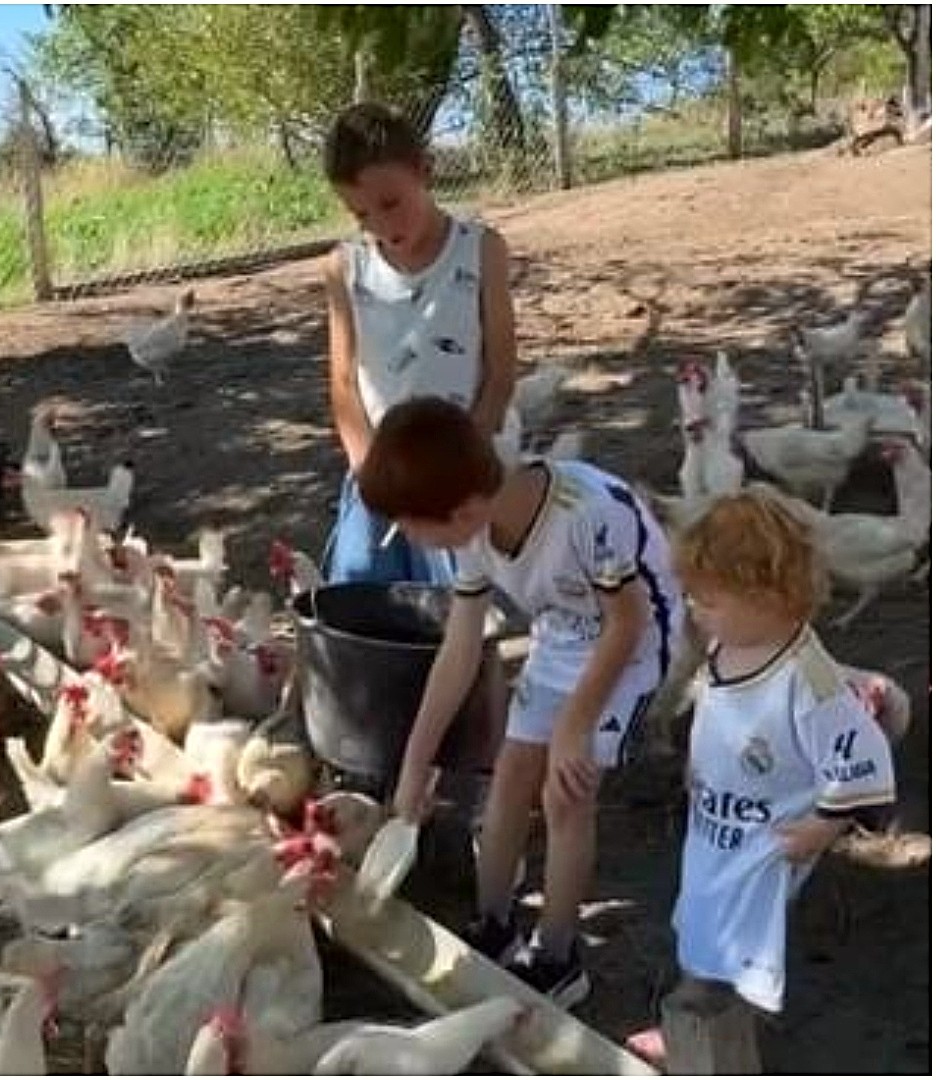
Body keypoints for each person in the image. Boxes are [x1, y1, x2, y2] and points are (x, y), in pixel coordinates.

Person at [364, 397, 680, 1006]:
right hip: (563, 631)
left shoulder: (588, 515)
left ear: (463, 510)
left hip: (632, 645)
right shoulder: (471, 532)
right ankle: (493, 925)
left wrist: (574, 726)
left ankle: (558, 955)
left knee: (566, 792)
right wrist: (413, 767)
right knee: (510, 772)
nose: (406, 538)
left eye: (411, 525)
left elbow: (628, 622)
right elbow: (459, 647)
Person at [633, 491, 894, 1054]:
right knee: (700, 916)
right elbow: (722, 716)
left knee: (741, 935)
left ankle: (715, 1029)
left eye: (708, 600)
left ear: (766, 594)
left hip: (767, 836)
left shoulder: (810, 678)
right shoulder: (728, 646)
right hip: (716, 821)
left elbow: (860, 754)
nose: (696, 612)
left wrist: (824, 826)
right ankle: (702, 1014)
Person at [319, 101, 518, 585]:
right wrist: (368, 468)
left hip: (457, 470)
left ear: (424, 172)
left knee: (456, 606)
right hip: (382, 471)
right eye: (361, 213)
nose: (382, 227)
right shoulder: (344, 268)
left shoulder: (481, 249)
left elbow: (501, 370)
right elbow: (344, 382)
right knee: (359, 592)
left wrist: (464, 459)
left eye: (390, 203)